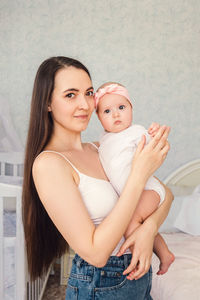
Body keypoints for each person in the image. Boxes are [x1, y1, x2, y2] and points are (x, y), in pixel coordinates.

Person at [22, 56, 173, 300]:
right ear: (47, 102)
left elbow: (166, 195)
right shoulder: (50, 164)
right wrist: (138, 174)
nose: (85, 104)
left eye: (89, 93)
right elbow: (96, 254)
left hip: (138, 282)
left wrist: (148, 231)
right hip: (100, 286)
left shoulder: (102, 149)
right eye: (71, 95)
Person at [95, 82, 175, 278]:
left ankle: (139, 260)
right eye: (107, 111)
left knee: (130, 221)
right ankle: (165, 254)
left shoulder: (136, 132)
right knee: (141, 222)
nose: (116, 114)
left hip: (149, 190)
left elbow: (156, 146)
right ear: (98, 118)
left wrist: (156, 135)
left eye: (121, 108)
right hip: (134, 193)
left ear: (131, 109)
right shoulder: (103, 141)